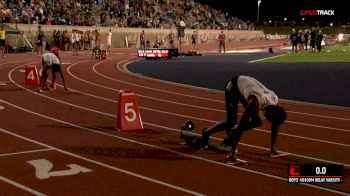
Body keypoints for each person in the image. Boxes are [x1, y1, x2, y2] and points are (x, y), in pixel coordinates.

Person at [201, 75, 287, 164]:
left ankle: (232, 133)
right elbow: (242, 124)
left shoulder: (275, 101)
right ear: (269, 115)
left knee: (258, 121)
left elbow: (275, 126)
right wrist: (233, 152)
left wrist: (272, 148)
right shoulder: (255, 102)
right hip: (233, 86)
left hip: (247, 87)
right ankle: (206, 132)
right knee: (231, 122)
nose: (270, 123)